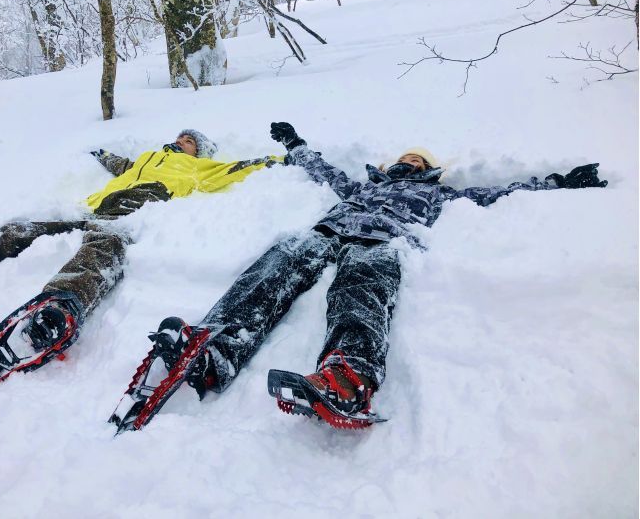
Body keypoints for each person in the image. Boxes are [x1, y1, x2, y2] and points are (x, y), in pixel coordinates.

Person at [162, 122, 608, 428]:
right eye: (405, 157)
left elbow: (504, 191)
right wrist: (296, 144)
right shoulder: (366, 185)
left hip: (384, 241)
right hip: (329, 228)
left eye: (418, 161)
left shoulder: (441, 194)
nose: (409, 162)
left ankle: (347, 375)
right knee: (275, 265)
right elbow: (325, 171)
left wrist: (560, 182)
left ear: (428, 170)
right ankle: (215, 347)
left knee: (360, 291)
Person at [0, 129, 277, 351]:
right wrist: (102, 154)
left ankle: (63, 305)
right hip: (96, 206)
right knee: (17, 231)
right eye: (182, 136)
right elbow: (122, 165)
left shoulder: (197, 168)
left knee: (104, 243)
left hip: (141, 202)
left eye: (191, 141)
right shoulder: (150, 157)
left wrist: (279, 157)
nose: (183, 140)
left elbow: (236, 168)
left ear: (199, 152)